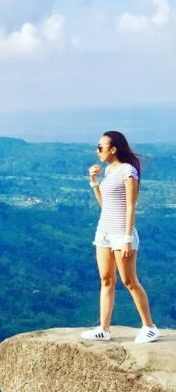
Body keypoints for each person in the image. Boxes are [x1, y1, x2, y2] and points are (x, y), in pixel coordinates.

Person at [81, 131, 159, 343]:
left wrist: (126, 239)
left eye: (100, 147)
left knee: (129, 280)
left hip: (121, 234)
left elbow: (131, 206)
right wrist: (93, 181)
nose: (97, 151)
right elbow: (105, 206)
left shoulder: (128, 171)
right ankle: (103, 329)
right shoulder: (108, 171)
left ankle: (149, 327)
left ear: (113, 149)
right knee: (106, 280)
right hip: (104, 232)